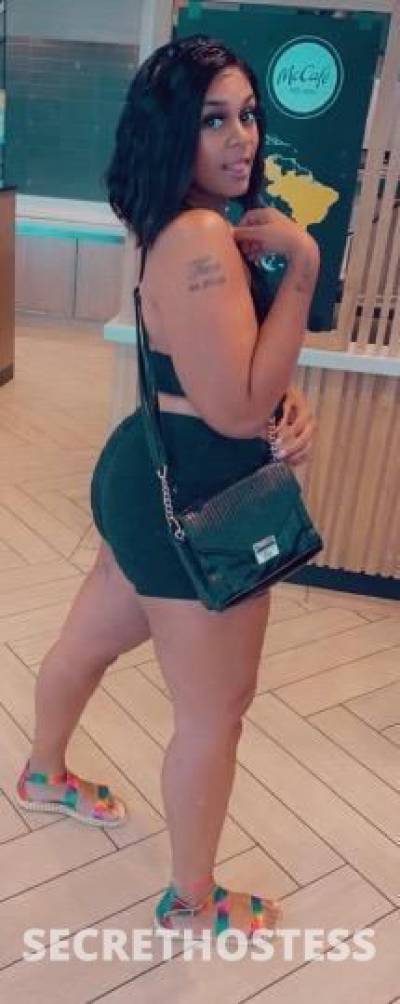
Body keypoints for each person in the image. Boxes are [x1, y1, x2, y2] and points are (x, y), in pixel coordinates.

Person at [15, 35, 319, 940]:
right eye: (213, 119)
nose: (241, 137)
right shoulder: (203, 235)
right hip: (197, 495)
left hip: (148, 472)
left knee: (89, 641)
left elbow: (226, 369)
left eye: (248, 115)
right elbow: (236, 407)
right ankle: (192, 903)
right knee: (216, 711)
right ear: (172, 131)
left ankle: (43, 773)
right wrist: (302, 272)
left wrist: (284, 398)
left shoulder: (180, 222)